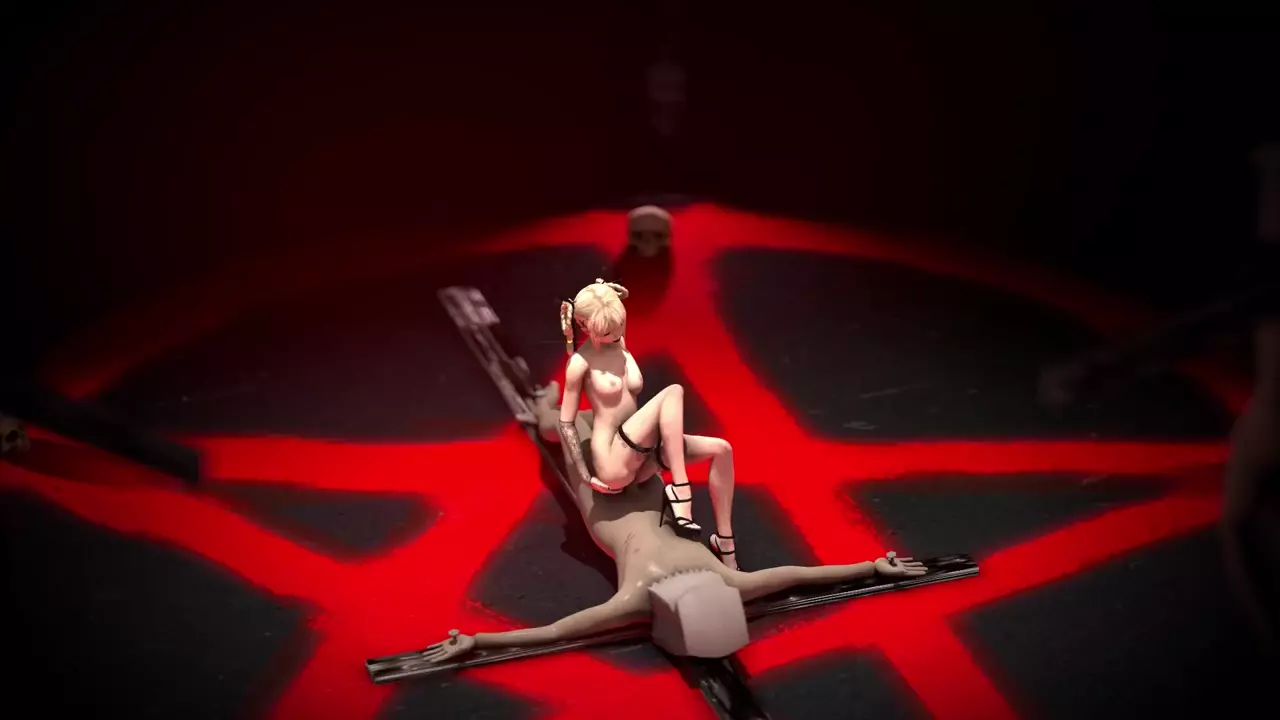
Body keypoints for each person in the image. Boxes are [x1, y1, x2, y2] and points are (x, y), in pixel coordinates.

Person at [416, 393, 926, 662]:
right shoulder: (721, 583)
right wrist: (871, 567)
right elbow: (799, 575)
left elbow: (555, 631)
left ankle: (548, 408)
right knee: (590, 431)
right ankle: (549, 407)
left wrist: (480, 641)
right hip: (642, 501)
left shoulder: (654, 593)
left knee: (578, 433)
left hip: (610, 508)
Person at [554, 279, 740, 567]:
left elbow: (621, 299)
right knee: (672, 392)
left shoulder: (619, 341)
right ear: (585, 326)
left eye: (620, 325)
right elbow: (566, 423)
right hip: (614, 463)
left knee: (722, 449)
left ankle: (725, 543)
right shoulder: (580, 364)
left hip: (643, 452)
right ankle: (680, 490)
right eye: (608, 331)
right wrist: (586, 476)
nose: (617, 334)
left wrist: (610, 292)